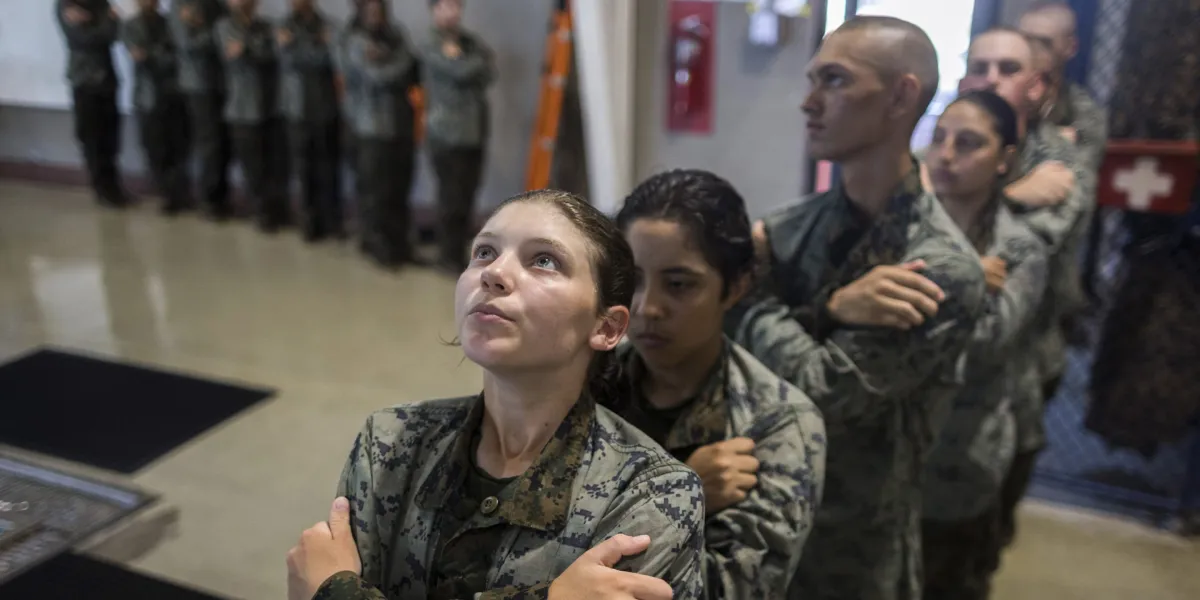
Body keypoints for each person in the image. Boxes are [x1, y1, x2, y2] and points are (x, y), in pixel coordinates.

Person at [286, 190, 705, 600]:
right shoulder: (391, 441)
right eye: (484, 252)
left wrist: (334, 589)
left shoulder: (651, 494)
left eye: (544, 261)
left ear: (607, 328)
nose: (493, 273)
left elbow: (329, 582)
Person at [724, 16, 986, 600]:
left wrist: (755, 298)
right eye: (812, 79)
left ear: (901, 96)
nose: (809, 102)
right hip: (756, 523)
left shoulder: (938, 268)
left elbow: (823, 394)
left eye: (835, 81)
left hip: (853, 555)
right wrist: (832, 309)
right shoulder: (793, 228)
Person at [613, 170, 827, 598]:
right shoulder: (584, 383)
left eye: (678, 285)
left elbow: (731, 591)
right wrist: (681, 493)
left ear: (736, 287)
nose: (647, 307)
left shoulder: (775, 425)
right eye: (633, 280)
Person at [957, 28, 1094, 547]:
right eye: (980, 67)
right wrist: (1011, 194)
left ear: (1036, 87)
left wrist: (960, 206)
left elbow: (1026, 244)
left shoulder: (1060, 159)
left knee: (981, 537)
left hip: (1015, 379)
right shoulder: (946, 147)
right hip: (938, 384)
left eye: (1008, 69)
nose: (991, 78)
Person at [919, 91, 1049, 600]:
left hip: (961, 461)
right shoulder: (902, 227)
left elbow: (984, 346)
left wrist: (919, 291)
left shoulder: (1018, 249)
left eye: (969, 143)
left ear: (1005, 160)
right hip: (888, 461)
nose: (947, 155)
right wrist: (966, 280)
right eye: (939, 139)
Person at [341, 0, 419, 268]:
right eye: (370, 9)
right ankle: (376, 244)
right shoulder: (353, 38)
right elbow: (377, 76)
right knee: (375, 192)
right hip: (370, 128)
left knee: (399, 188)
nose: (375, 14)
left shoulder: (396, 34)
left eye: (379, 8)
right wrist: (396, 62)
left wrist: (390, 59)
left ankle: (399, 243)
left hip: (400, 126)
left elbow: (410, 65)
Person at [423, 0, 495, 272]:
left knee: (468, 194)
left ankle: (461, 251)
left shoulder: (468, 42)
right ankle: (448, 256)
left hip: (474, 131)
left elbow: (489, 69)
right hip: (446, 133)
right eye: (446, 6)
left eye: (456, 6)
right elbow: (460, 71)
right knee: (450, 198)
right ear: (434, 10)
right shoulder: (430, 42)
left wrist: (465, 59)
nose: (453, 12)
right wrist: (470, 62)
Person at [216, 0, 289, 232]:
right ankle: (261, 211)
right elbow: (234, 54)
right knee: (252, 165)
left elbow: (274, 53)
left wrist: (248, 48)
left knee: (274, 162)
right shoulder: (223, 26)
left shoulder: (266, 26)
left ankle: (276, 208)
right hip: (241, 109)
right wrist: (255, 48)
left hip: (269, 106)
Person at [279, 0, 343, 242]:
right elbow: (288, 60)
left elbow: (330, 58)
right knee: (303, 169)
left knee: (328, 169)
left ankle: (331, 222)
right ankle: (309, 223)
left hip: (325, 108)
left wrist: (298, 46)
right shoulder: (283, 25)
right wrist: (315, 46)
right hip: (297, 109)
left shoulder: (327, 25)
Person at [1018, 1, 1109, 171]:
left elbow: (1078, 180)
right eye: (1024, 41)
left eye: (1044, 43)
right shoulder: (997, 95)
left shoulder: (1083, 112)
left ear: (1070, 47)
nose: (1031, 51)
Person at [56, 0, 128, 208]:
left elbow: (113, 35)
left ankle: (114, 186)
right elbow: (82, 39)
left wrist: (93, 21)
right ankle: (101, 188)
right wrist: (104, 22)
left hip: (107, 79)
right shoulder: (65, 4)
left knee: (111, 137)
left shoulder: (100, 3)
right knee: (91, 137)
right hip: (84, 80)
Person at [122, 0, 192, 215]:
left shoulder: (168, 22)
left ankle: (180, 193)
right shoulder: (130, 25)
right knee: (155, 149)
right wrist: (158, 52)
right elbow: (138, 56)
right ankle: (166, 194)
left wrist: (152, 53)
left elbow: (175, 55)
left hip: (173, 93)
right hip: (147, 97)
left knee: (178, 146)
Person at [171, 0, 233, 220]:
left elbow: (230, 31)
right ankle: (209, 200)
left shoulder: (217, 4)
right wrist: (217, 34)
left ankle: (221, 196)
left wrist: (211, 31)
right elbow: (188, 43)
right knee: (209, 142)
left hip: (222, 82)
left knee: (223, 142)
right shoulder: (181, 5)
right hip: (198, 83)